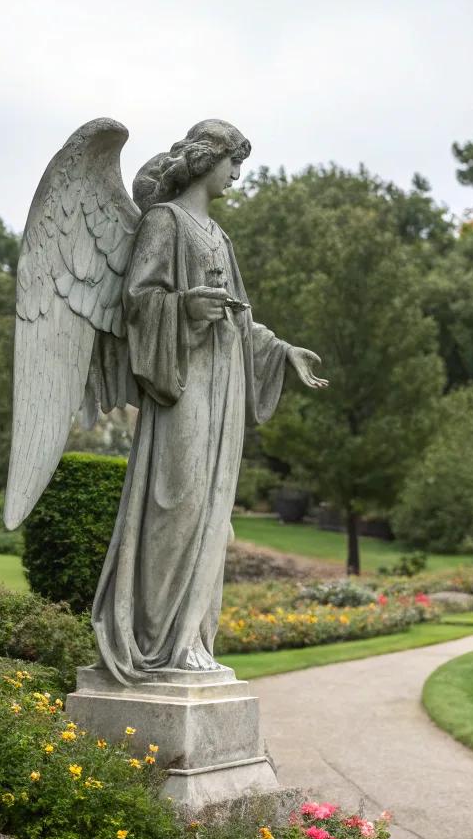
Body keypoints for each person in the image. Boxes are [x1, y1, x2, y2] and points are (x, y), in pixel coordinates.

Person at [91, 119, 327, 682]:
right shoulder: (163, 223)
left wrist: (281, 349)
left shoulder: (220, 237)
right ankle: (154, 640)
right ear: (205, 160)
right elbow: (138, 303)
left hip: (222, 385)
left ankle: (192, 638)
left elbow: (239, 316)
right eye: (233, 162)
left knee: (213, 511)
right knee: (177, 503)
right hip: (182, 382)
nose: (238, 175)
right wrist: (185, 309)